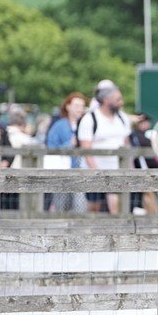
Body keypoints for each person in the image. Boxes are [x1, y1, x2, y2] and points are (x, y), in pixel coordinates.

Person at [77, 79, 131, 214]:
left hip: (118, 171)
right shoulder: (90, 119)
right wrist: (97, 173)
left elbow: (126, 143)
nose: (121, 102)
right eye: (118, 99)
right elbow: (86, 149)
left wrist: (130, 167)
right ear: (107, 100)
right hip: (95, 171)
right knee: (94, 207)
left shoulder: (123, 118)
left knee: (117, 207)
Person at [44, 92, 88, 212]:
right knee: (60, 206)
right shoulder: (59, 126)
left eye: (82, 106)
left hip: (81, 173)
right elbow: (51, 148)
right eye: (76, 105)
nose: (79, 109)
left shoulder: (86, 125)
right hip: (62, 172)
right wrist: (70, 144)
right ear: (68, 106)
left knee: (80, 208)